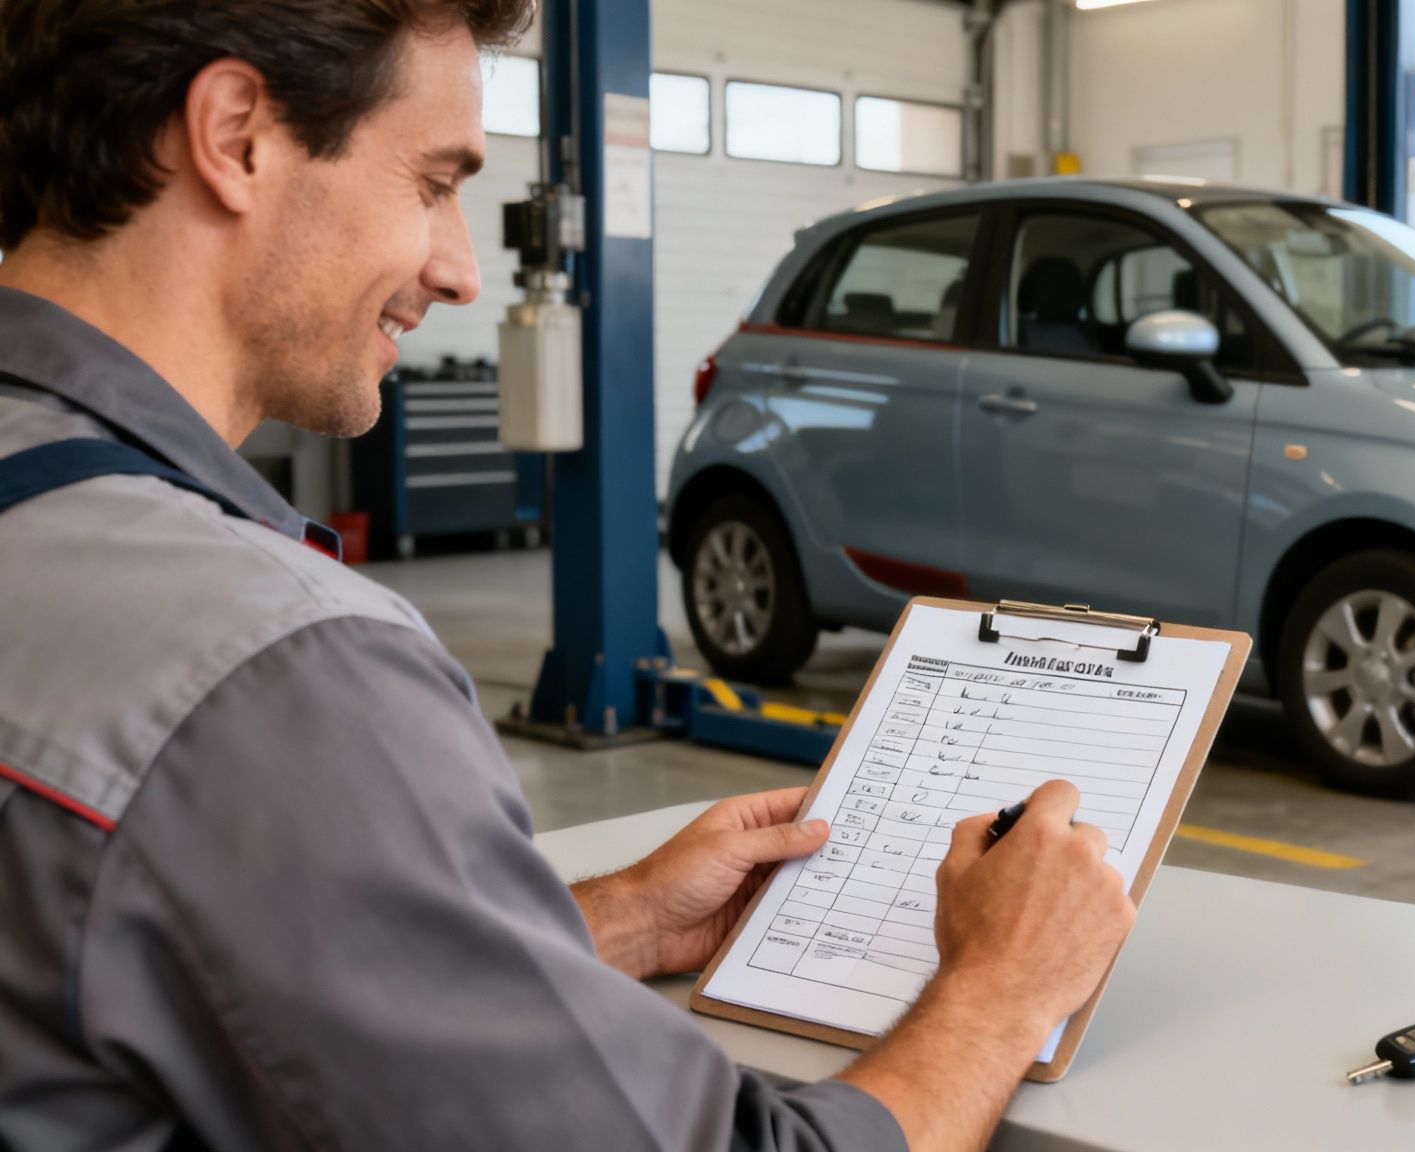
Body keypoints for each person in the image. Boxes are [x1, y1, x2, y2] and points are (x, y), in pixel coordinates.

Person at [0, 3, 1135, 1149]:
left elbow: (205, 961)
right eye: (433, 183)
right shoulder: (277, 675)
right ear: (236, 134)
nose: (457, 270)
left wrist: (621, 921)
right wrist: (1000, 991)